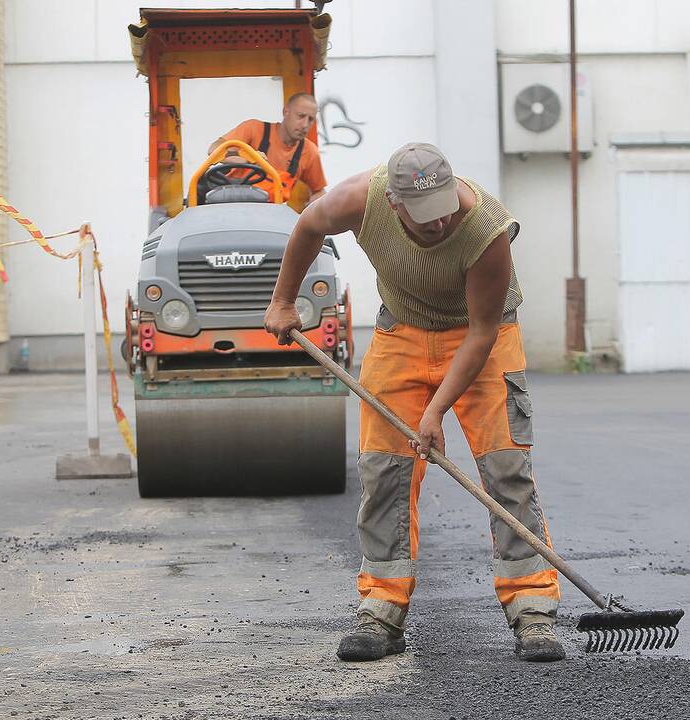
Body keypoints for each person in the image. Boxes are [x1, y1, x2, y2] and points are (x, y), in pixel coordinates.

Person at [263, 143, 564, 663]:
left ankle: (533, 607)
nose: (438, 224)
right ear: (394, 203)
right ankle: (381, 607)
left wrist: (434, 411)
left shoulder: (487, 229)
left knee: (506, 467)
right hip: (400, 334)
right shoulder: (360, 198)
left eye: (444, 209)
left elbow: (482, 333)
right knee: (384, 471)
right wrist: (284, 300)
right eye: (423, 217)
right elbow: (309, 225)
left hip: (480, 340)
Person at [208, 93, 327, 208]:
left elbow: (319, 192)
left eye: (311, 119)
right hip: (229, 205)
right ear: (286, 112)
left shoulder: (309, 151)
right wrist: (248, 158)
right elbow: (214, 149)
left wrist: (312, 209)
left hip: (270, 217)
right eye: (301, 116)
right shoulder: (253, 129)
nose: (305, 124)